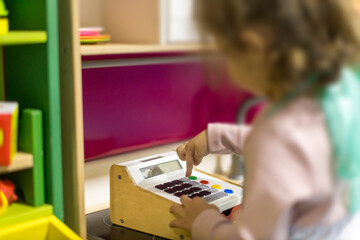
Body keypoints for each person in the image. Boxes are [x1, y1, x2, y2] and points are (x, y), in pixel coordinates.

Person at [169, 0, 360, 239]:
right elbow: (299, 148)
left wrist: (203, 220)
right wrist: (215, 138)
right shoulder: (340, 91)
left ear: (252, 47)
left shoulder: (277, 134)